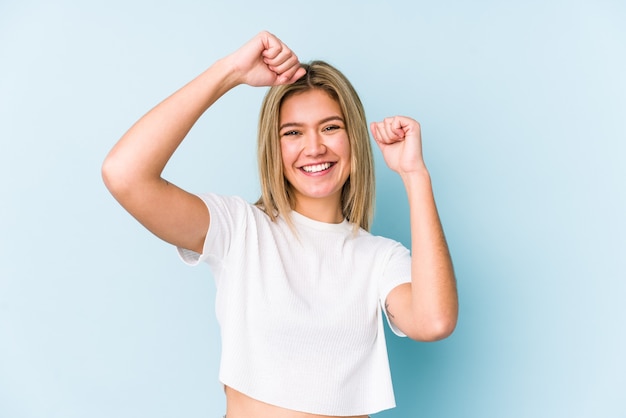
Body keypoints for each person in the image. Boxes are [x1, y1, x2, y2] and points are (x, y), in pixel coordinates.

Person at [102, 31, 458, 418]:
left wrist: (414, 175)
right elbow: (125, 174)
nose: (314, 147)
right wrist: (231, 72)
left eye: (330, 127)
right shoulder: (239, 229)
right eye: (293, 132)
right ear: (274, 146)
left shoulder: (380, 258)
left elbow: (434, 321)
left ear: (354, 139)